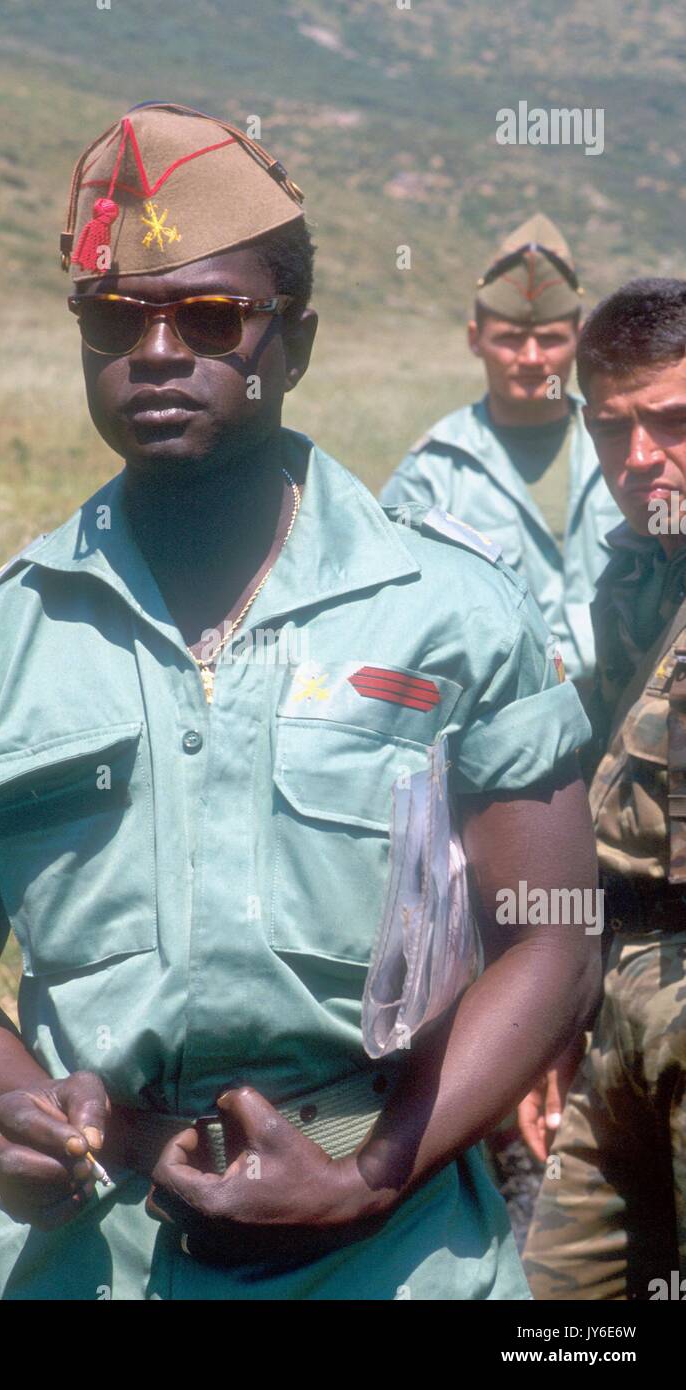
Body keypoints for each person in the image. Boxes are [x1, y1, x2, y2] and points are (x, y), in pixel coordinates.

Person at [0, 102, 598, 1301]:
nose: (158, 351)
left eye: (212, 317)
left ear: (294, 344)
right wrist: (10, 1098)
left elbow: (552, 934)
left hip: (396, 1245)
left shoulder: (451, 615)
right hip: (94, 1250)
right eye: (116, 317)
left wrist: (369, 1170)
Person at [522, 279, 686, 1300]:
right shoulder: (634, 575)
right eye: (611, 428)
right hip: (617, 988)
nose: (639, 461)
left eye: (671, 423)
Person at [380, 214, 622, 698]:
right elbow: (393, 611)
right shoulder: (436, 468)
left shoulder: (621, 445)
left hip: (624, 702)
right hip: (502, 715)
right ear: (476, 339)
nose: (532, 357)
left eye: (551, 338)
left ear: (578, 343)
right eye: (510, 337)